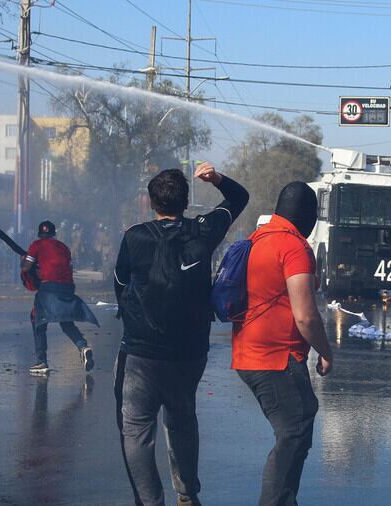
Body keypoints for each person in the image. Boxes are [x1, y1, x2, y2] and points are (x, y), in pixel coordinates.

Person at [113, 162, 248, 506]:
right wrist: (215, 178)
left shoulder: (134, 236)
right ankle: (187, 496)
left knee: (137, 429)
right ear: (187, 202)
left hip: (141, 351)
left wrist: (131, 318)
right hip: (190, 351)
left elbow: (120, 284)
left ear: (151, 203)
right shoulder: (204, 230)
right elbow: (239, 197)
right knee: (182, 418)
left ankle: (149, 500)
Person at [232, 182, 334, 506]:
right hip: (276, 358)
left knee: (298, 421)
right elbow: (305, 315)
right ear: (308, 215)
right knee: (294, 428)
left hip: (247, 353)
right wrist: (326, 351)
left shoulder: (256, 239)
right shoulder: (294, 247)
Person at [22, 220, 99, 375]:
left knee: (37, 320)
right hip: (67, 288)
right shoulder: (63, 247)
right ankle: (83, 346)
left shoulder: (36, 245)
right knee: (66, 320)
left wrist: (25, 260)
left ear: (40, 234)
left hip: (49, 288)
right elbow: (67, 268)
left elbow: (26, 268)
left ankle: (41, 361)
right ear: (53, 233)